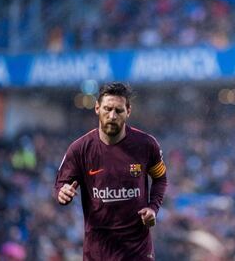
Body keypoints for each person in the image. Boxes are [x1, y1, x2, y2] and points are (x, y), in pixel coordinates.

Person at [54, 82, 167, 260]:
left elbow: (160, 179)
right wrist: (63, 193)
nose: (112, 115)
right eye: (107, 109)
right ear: (97, 108)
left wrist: (153, 208)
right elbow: (61, 185)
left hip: (137, 252)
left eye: (119, 110)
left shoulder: (146, 145)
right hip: (97, 253)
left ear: (128, 111)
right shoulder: (79, 149)